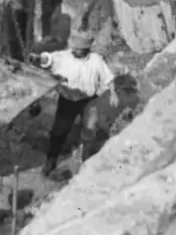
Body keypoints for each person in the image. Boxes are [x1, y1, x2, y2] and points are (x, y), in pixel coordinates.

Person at [28, 29, 119, 176]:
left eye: (78, 48)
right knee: (59, 131)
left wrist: (113, 93)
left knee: (90, 130)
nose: (74, 50)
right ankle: (51, 161)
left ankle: (86, 162)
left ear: (86, 49)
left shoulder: (95, 60)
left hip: (88, 101)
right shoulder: (64, 57)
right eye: (74, 46)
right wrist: (38, 59)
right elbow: (48, 59)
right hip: (67, 99)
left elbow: (108, 77)